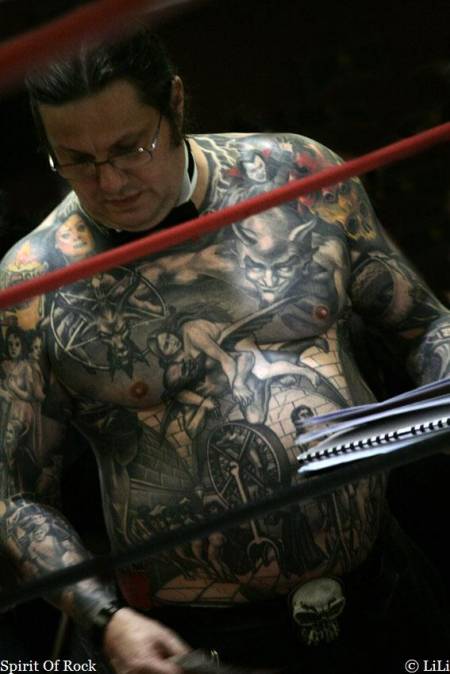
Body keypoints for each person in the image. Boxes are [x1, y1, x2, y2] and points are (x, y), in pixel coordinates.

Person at [0, 24, 449, 674]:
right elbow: (15, 497)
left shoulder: (300, 177)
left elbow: (427, 326)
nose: (111, 180)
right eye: (75, 159)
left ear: (176, 104)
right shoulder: (33, 283)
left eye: (129, 147)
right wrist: (106, 619)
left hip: (385, 592)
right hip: (198, 642)